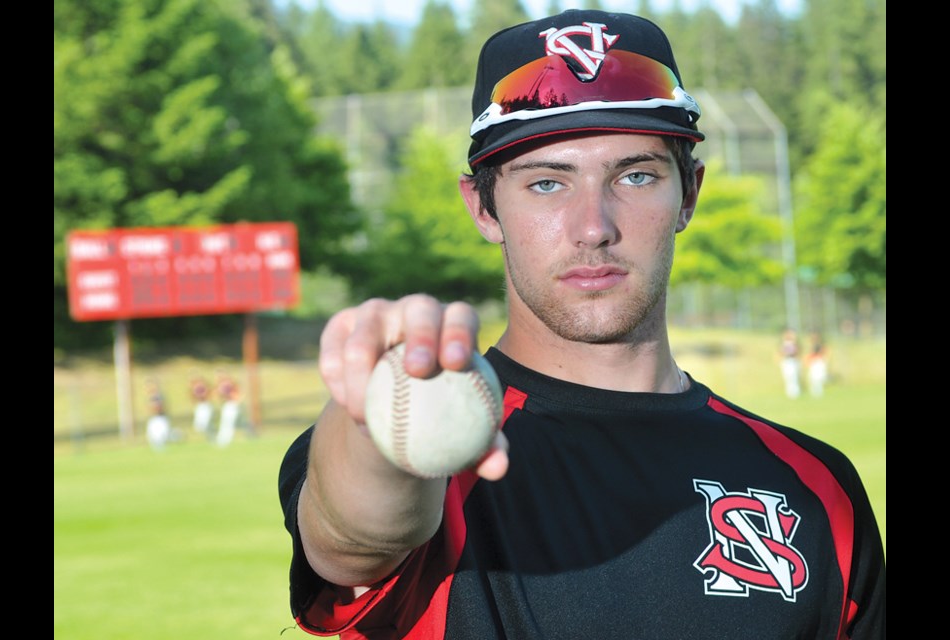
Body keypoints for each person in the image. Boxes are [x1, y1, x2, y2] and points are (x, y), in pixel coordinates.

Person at [278, 10, 886, 639]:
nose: (594, 225)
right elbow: (356, 536)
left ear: (689, 195)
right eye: (546, 182)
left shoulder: (819, 489)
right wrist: (383, 414)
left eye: (636, 175)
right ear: (483, 208)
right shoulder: (434, 452)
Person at [215, 369, 242, 447]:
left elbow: (228, 394)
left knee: (228, 423)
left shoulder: (227, 383)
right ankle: (223, 439)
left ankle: (225, 440)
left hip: (231, 404)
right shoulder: (225, 383)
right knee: (226, 422)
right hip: (228, 404)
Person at [144, 377, 171, 451]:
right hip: (154, 418)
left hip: (160, 418)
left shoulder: (157, 396)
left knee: (161, 435)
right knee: (152, 436)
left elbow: (159, 408)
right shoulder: (151, 397)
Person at [778, 327, 802, 399]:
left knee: (794, 377)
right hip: (786, 361)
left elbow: (797, 352)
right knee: (787, 377)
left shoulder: (794, 343)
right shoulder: (784, 343)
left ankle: (795, 393)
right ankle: (789, 393)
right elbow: (781, 352)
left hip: (793, 361)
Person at [189, 372, 214, 437]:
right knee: (199, 423)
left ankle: (210, 434)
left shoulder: (204, 386)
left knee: (206, 422)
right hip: (200, 405)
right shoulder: (194, 387)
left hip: (205, 404)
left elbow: (208, 394)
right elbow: (193, 397)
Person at [806, 332, 830, 398]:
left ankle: (819, 392)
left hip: (819, 361)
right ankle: (814, 392)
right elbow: (810, 354)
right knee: (812, 377)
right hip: (813, 362)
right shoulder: (811, 345)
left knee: (819, 377)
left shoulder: (821, 344)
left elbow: (825, 352)